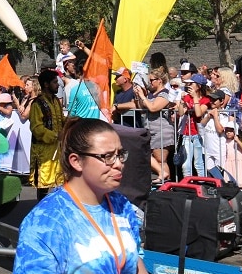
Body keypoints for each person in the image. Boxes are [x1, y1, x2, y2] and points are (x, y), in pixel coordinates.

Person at [14, 117, 147, 274]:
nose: (118, 164)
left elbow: (136, 262)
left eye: (120, 154)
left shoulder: (121, 205)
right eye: (108, 156)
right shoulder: (44, 222)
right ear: (76, 161)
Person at [28, 70, 65, 199]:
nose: (58, 85)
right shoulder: (37, 104)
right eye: (55, 82)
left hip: (56, 149)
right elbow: (36, 129)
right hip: (43, 152)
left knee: (58, 182)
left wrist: (71, 121)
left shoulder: (55, 101)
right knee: (43, 184)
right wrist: (56, 136)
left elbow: (60, 120)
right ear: (46, 84)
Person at [133, 69, 175, 184]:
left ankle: (166, 185)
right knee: (154, 158)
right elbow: (142, 107)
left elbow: (153, 108)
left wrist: (143, 96)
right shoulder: (151, 94)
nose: (150, 83)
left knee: (161, 160)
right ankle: (161, 180)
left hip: (162, 130)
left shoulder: (165, 93)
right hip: (151, 129)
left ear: (159, 81)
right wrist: (138, 96)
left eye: (151, 80)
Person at [177, 73, 210, 177]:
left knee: (198, 163)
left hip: (198, 135)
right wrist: (182, 102)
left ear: (199, 86)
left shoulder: (206, 100)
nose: (189, 85)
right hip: (187, 134)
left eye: (192, 83)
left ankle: (202, 184)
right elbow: (181, 113)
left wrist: (195, 98)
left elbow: (199, 113)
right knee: (185, 165)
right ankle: (187, 185)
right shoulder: (187, 97)